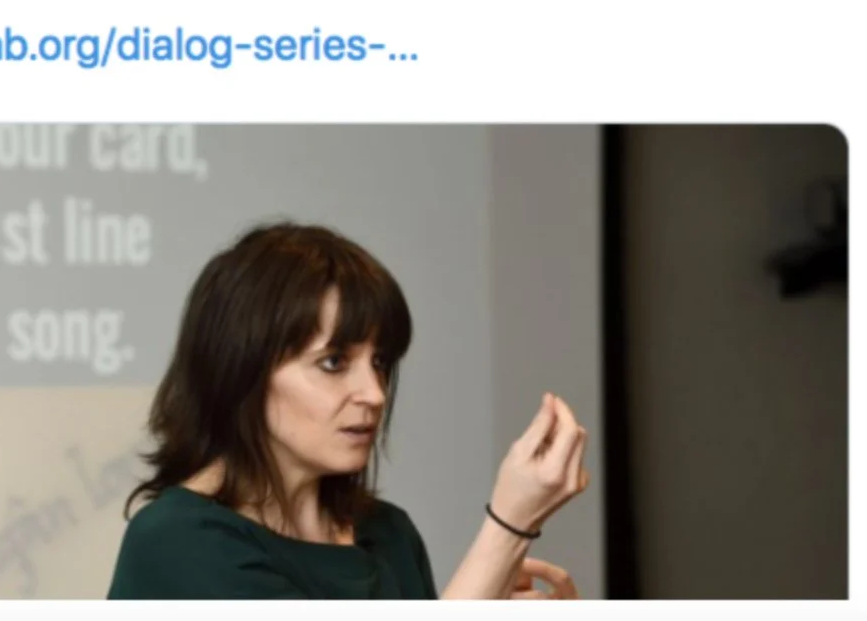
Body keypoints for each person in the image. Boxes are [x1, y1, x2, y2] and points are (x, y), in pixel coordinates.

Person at [107, 222, 589, 599]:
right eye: (334, 362)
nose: (375, 394)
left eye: (379, 362)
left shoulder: (388, 534)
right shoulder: (176, 544)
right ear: (241, 372)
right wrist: (508, 525)